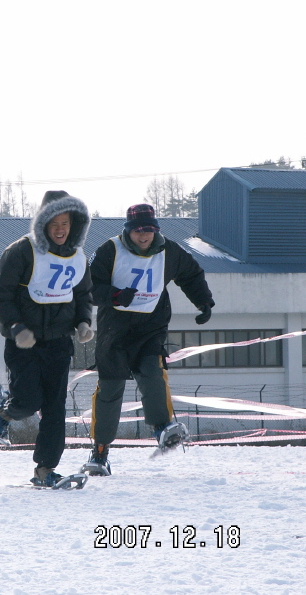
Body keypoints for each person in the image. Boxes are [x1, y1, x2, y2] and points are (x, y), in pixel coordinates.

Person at [83, 204, 215, 476]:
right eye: (138, 231)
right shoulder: (110, 250)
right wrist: (116, 296)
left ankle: (162, 428)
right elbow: (88, 287)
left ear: (156, 230)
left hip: (150, 328)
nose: (144, 236)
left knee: (153, 372)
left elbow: (191, 274)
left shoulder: (169, 250)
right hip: (114, 331)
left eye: (150, 230)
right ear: (128, 231)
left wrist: (203, 302)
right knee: (110, 390)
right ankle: (99, 452)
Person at [0, 190, 94, 487]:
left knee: (54, 408)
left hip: (59, 344)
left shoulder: (79, 257)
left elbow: (83, 294)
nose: (60, 229)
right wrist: (17, 327)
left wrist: (84, 322)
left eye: (66, 223)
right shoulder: (22, 251)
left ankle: (45, 468)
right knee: (28, 400)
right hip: (25, 343)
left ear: (75, 225)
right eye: (54, 223)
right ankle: (2, 414)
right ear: (43, 223)